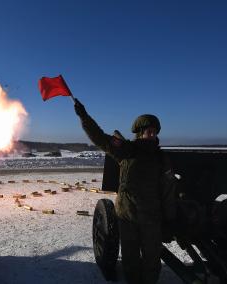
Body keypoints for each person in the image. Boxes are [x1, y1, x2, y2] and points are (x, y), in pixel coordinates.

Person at [74, 99, 175, 284]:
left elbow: (167, 189)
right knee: (130, 259)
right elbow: (100, 138)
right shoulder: (126, 150)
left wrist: (169, 218)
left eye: (154, 131)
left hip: (152, 216)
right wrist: (84, 117)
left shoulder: (161, 158)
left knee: (152, 259)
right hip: (128, 215)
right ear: (139, 133)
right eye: (148, 131)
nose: (151, 134)